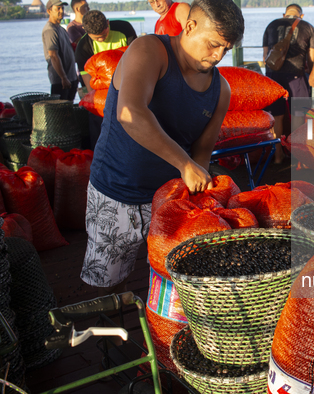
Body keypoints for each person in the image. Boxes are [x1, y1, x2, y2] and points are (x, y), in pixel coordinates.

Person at [80, 0, 243, 295]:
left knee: (175, 285)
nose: (219, 55)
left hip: (170, 201)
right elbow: (130, 113)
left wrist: (198, 188)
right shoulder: (149, 50)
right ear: (190, 26)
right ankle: (108, 338)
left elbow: (202, 151)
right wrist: (184, 165)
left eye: (226, 49)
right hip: (116, 192)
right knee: (106, 284)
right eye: (213, 44)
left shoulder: (222, 90)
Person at [262, 3, 314, 163]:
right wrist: (312, 75)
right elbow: (311, 58)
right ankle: (298, 159)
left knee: (276, 118)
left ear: (284, 14)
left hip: (273, 77)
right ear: (301, 16)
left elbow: (266, 56)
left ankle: (278, 156)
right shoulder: (308, 27)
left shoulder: (270, 25)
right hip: (297, 77)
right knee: (299, 116)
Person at [76, 10, 137, 149]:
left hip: (129, 83)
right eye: (97, 38)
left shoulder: (124, 29)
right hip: (103, 92)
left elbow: (137, 56)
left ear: (108, 23)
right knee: (97, 122)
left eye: (104, 34)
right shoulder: (83, 47)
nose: (101, 39)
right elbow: (88, 81)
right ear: (85, 30)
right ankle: (98, 151)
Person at [41, 0, 78, 100]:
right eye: (58, 8)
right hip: (61, 81)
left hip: (71, 78)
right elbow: (53, 56)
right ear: (49, 11)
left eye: (62, 8)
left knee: (69, 110)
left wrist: (74, 76)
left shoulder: (61, 29)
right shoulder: (50, 30)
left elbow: (69, 52)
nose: (61, 11)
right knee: (60, 112)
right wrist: (63, 78)